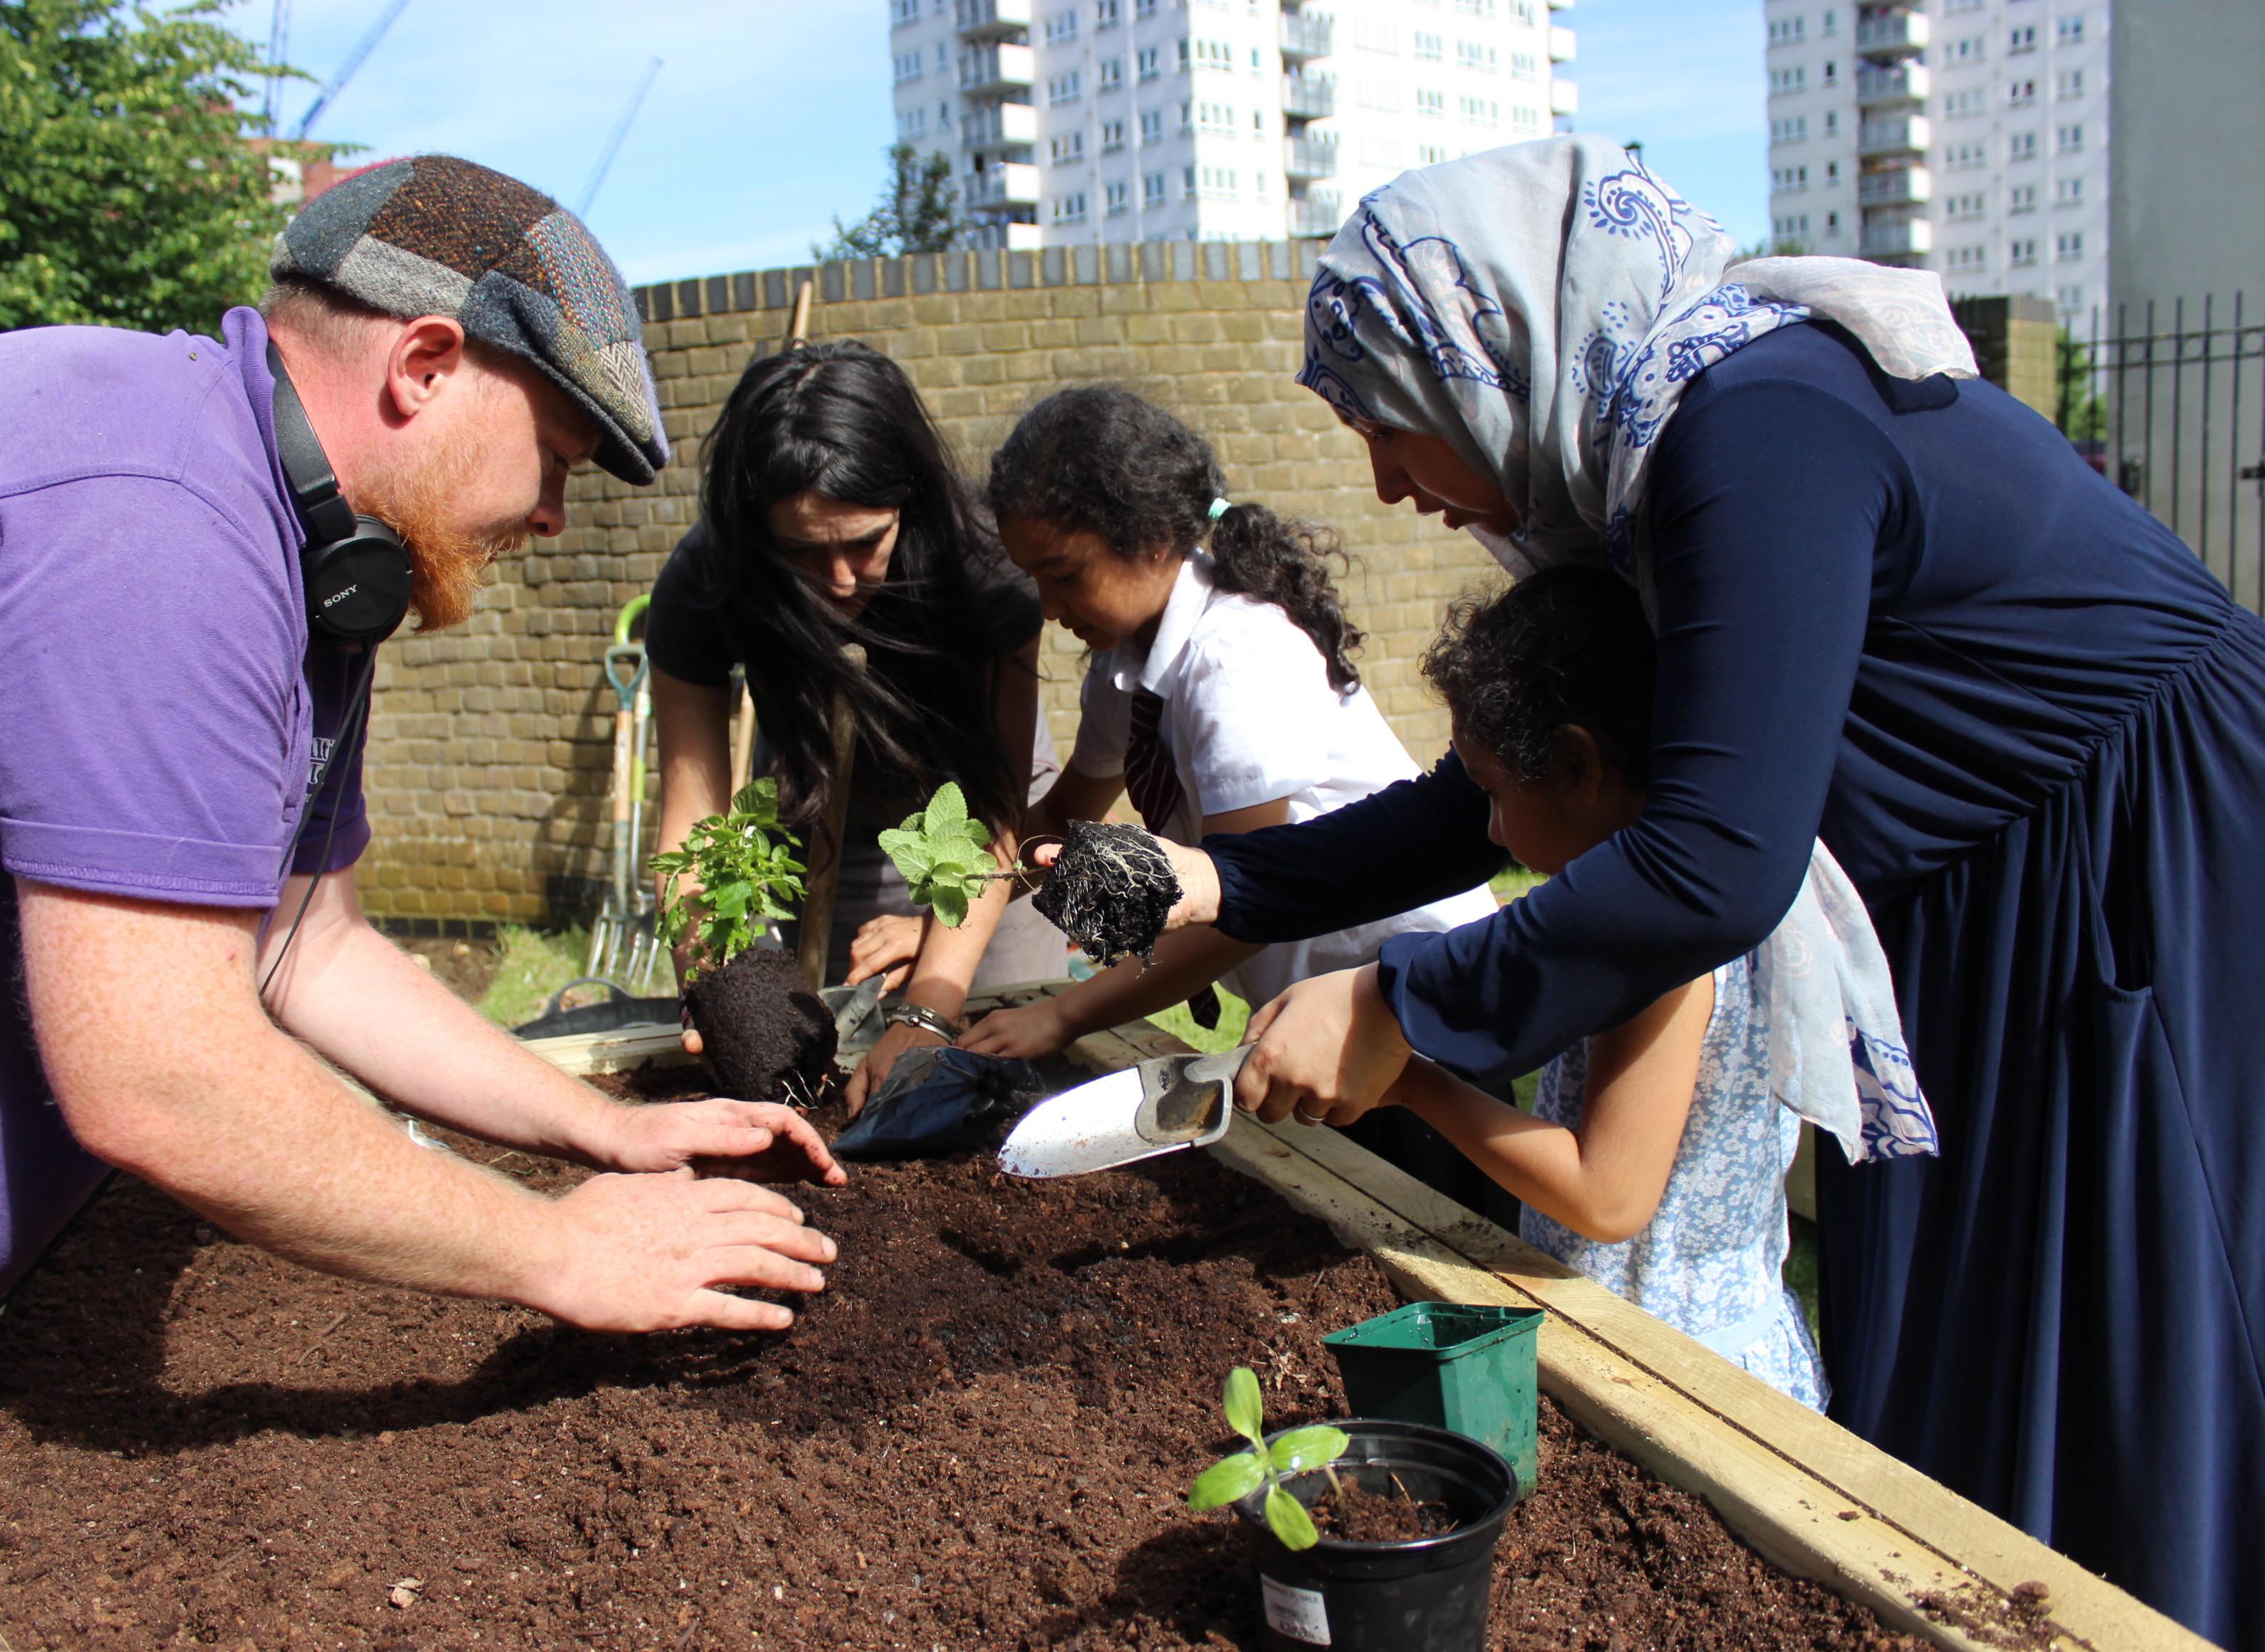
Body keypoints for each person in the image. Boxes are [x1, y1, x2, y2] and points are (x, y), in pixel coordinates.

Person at [1125, 136, 2264, 1643]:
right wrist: (1229, 878)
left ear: (1494, 352)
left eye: (1388, 428)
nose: (1390, 486)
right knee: (1973, 1376)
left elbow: (1717, 861)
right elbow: (1484, 805)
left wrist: (1406, 1003)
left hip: (2124, 871)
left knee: (2125, 1350)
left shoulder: (1756, 428)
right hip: (1986, 888)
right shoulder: (1647, 475)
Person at [0, 157, 842, 1513]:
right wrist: (560, 1249)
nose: (553, 518)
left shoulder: (299, 539)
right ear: (424, 363)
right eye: (558, 461)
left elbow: (306, 946)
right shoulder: (150, 518)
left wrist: (600, 1129)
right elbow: (160, 1072)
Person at [1386, 565, 1941, 1410]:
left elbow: (1606, 1195)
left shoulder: (1659, 946)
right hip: (1669, 1348)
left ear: (1576, 764)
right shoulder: (1717, 886)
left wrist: (1409, 1081)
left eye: (1496, 794)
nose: (1490, 828)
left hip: (1679, 1382)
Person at [955, 385, 1495, 1061]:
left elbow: (1246, 903)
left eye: (1063, 574)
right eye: (1034, 578)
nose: (1048, 606)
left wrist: (1064, 1015)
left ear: (1151, 539)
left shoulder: (1232, 657)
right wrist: (955, 916)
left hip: (1413, 995)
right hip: (1320, 1002)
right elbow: (1061, 816)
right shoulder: (1124, 664)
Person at [644, 342, 1067, 1111]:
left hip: (978, 824)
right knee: (816, 1062)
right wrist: (712, 980)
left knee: (983, 1078)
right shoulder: (708, 580)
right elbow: (692, 821)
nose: (839, 581)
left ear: (907, 503)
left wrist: (929, 1011)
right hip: (821, 809)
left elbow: (997, 809)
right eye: (802, 552)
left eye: (866, 542)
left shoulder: (984, 562)